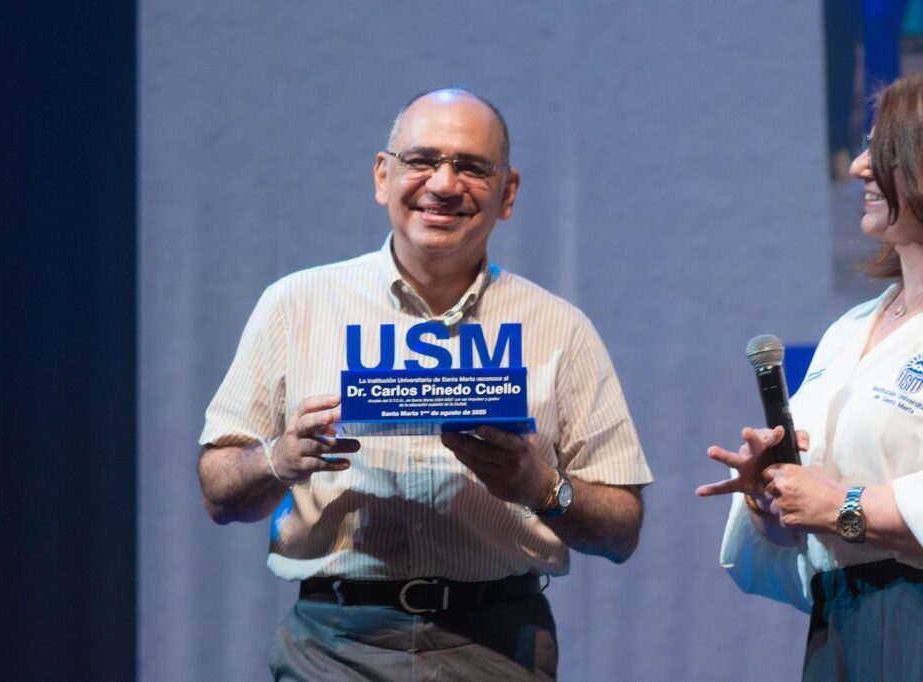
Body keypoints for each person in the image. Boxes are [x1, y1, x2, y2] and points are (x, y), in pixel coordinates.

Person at [198, 87, 653, 680]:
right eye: (422, 160)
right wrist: (277, 460)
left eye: (472, 167)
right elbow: (218, 493)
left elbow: (621, 531)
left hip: (497, 643)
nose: (443, 184)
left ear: (508, 193)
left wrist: (541, 487)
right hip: (333, 647)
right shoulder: (295, 305)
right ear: (382, 176)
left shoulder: (560, 328)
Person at [697, 73, 923, 680]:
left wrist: (843, 505)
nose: (858, 167)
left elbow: (840, 505)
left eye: (883, 150)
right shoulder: (851, 328)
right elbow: (811, 527)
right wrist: (772, 494)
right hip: (842, 621)